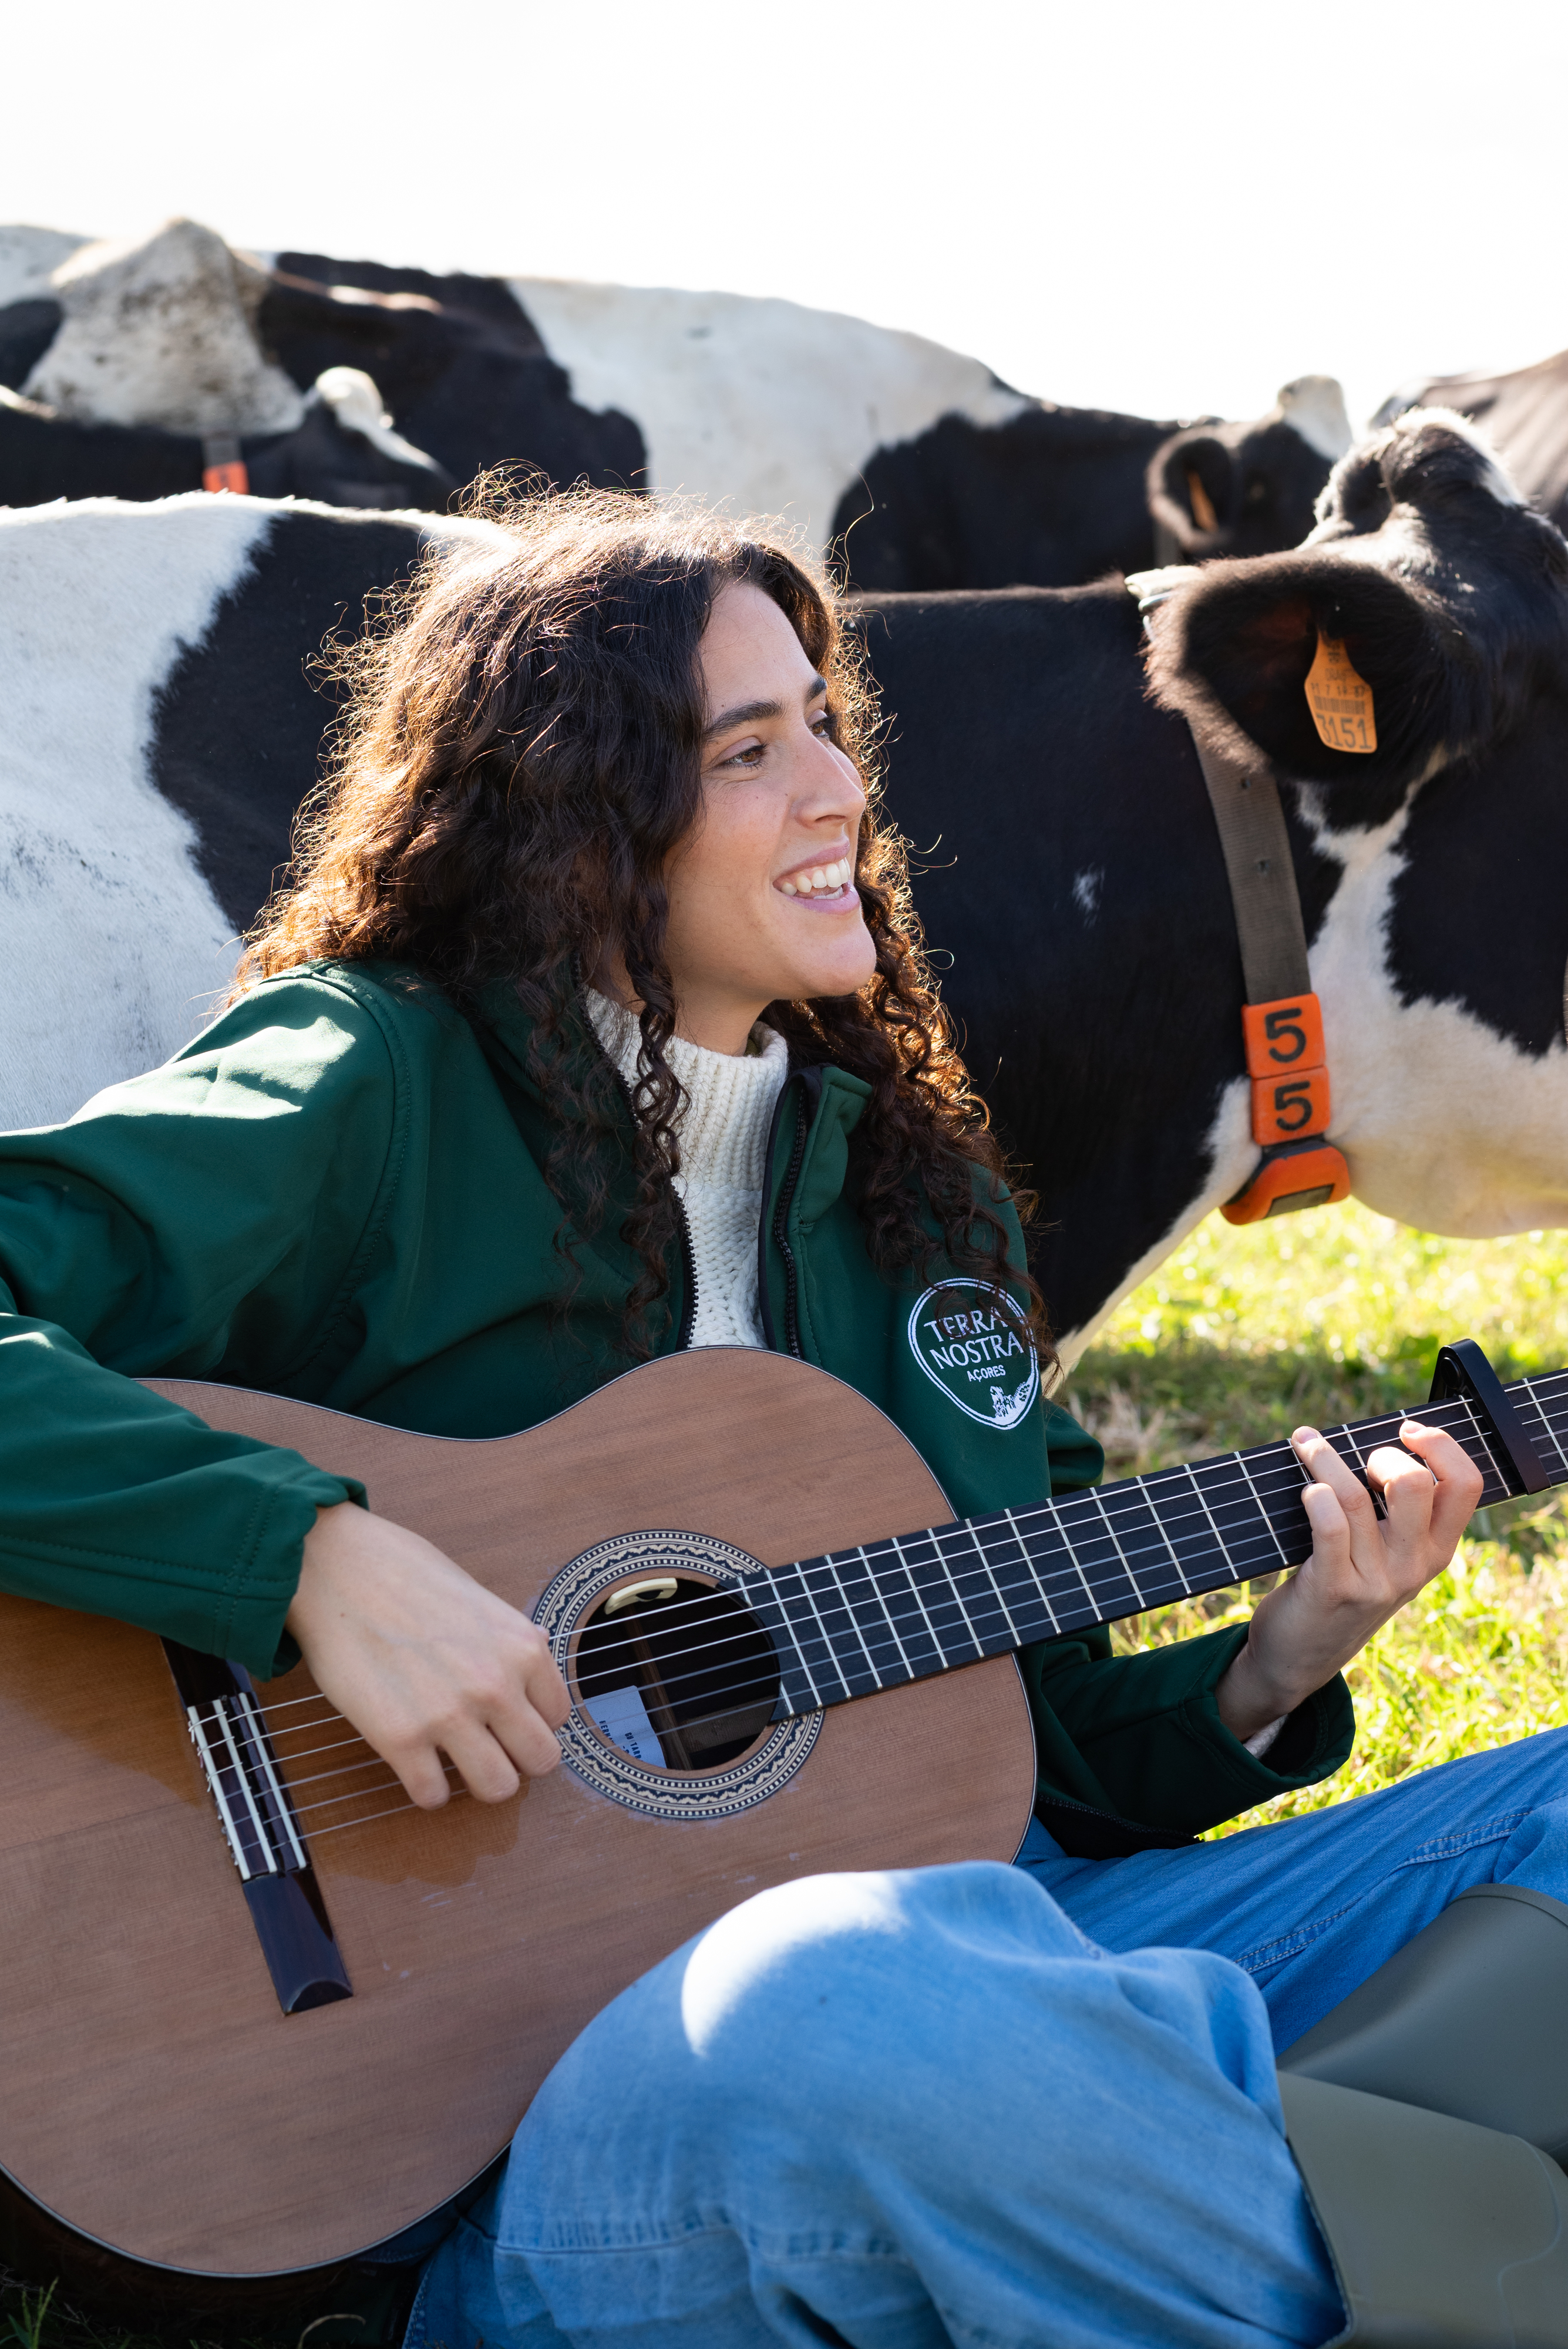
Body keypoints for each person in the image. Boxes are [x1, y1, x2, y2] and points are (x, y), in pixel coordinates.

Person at [2, 486, 1564, 2349]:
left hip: (1007, 1966)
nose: (840, 789)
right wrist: (310, 1559)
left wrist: (1271, 1664)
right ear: (576, 808)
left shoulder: (926, 1205)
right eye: (754, 749)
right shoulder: (376, 1080)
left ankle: (1156, 2175)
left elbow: (1035, 1752)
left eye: (825, 724)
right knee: (863, 1992)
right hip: (543, 2126)